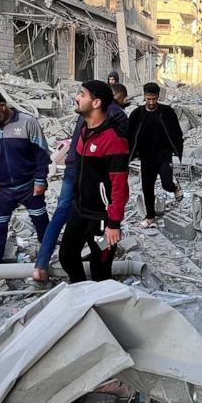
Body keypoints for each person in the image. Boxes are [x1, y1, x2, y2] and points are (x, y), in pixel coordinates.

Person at [33, 82, 128, 282]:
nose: (77, 98)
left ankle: (100, 306)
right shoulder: (84, 130)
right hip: (79, 212)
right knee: (67, 257)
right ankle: (82, 293)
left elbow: (120, 187)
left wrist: (113, 223)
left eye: (82, 95)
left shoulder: (114, 139)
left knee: (100, 267)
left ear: (96, 102)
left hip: (102, 221)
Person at [0, 89, 51, 265]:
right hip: (1, 190)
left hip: (29, 186)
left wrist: (40, 180)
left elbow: (41, 154)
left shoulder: (27, 123)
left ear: (2, 106)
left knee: (41, 221)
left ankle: (47, 257)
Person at [128, 82, 185, 229]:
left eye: (154, 99)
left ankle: (175, 187)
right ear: (144, 97)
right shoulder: (137, 114)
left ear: (158, 97)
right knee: (147, 187)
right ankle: (150, 217)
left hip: (164, 155)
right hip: (146, 157)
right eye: (148, 99)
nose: (151, 102)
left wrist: (177, 149)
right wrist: (131, 154)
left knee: (166, 183)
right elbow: (129, 134)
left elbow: (177, 132)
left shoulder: (167, 112)